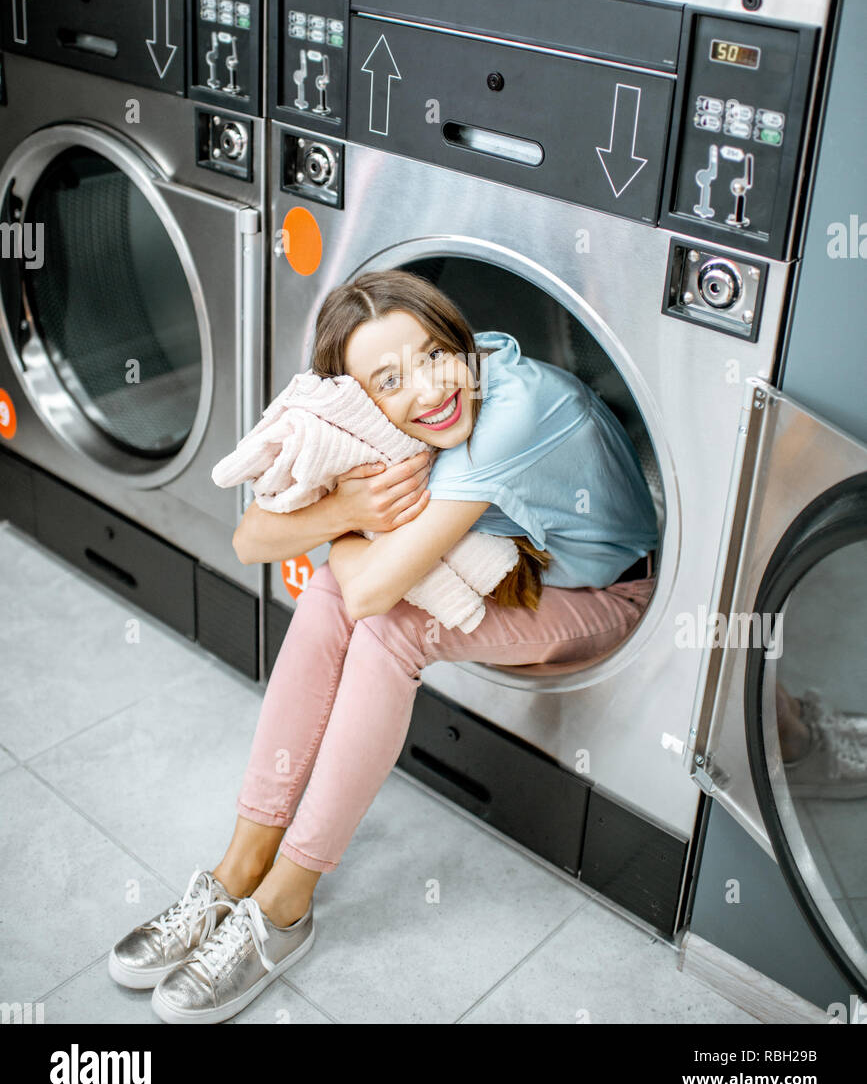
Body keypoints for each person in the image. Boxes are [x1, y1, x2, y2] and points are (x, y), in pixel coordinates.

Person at [107, 268, 851, 1022]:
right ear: (361, 399)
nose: (429, 389)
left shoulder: (509, 414)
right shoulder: (394, 424)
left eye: (435, 354)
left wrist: (344, 517)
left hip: (612, 596)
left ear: (462, 343)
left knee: (385, 624)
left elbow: (367, 591)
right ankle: (237, 871)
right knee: (331, 589)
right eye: (389, 379)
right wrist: (348, 506)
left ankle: (284, 907)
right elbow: (247, 540)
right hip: (521, 571)